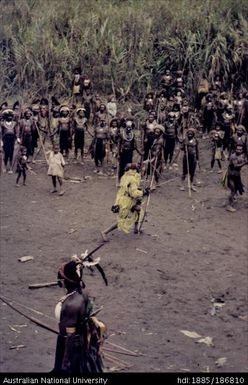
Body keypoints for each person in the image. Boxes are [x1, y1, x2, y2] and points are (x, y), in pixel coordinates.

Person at [52, 258, 105, 373]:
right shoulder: (81, 293)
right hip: (79, 342)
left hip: (70, 346)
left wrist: (65, 362)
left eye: (61, 277)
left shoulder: (71, 305)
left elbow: (70, 336)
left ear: (66, 281)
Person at [101, 163, 150, 241]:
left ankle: (136, 229)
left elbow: (128, 189)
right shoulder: (133, 179)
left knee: (138, 210)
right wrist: (143, 192)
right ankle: (105, 232)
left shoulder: (125, 176)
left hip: (124, 199)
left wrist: (141, 190)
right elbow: (133, 193)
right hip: (127, 201)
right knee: (121, 220)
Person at [225, 145, 247, 212]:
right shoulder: (233, 156)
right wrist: (245, 163)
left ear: (242, 150)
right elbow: (236, 166)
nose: (238, 150)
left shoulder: (241, 155)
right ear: (235, 149)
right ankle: (229, 206)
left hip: (236, 175)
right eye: (237, 149)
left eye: (240, 150)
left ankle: (232, 199)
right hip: (231, 175)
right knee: (233, 190)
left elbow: (242, 161)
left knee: (236, 189)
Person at [0, 109, 18, 173]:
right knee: (6, 153)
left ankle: (11, 167)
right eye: (8, 115)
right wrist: (1, 141)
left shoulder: (14, 123)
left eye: (11, 115)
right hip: (5, 140)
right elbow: (1, 133)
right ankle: (4, 166)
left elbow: (16, 132)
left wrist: (17, 138)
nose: (9, 117)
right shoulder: (2, 123)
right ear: (5, 116)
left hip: (12, 139)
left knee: (11, 153)